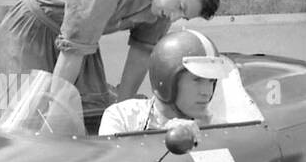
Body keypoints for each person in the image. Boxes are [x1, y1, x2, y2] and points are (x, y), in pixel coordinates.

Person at [0, 0, 218, 120]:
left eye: (184, 16)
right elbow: (73, 49)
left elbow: (142, 51)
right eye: (180, 6)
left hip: (79, 44)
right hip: (32, 31)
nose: (175, 17)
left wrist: (121, 112)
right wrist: (53, 115)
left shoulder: (162, 5)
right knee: (31, 118)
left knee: (93, 116)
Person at [99, 28, 251, 135]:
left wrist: (207, 138)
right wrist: (163, 136)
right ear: (166, 79)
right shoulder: (122, 117)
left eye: (211, 81)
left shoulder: (219, 129)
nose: (207, 92)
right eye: (197, 80)